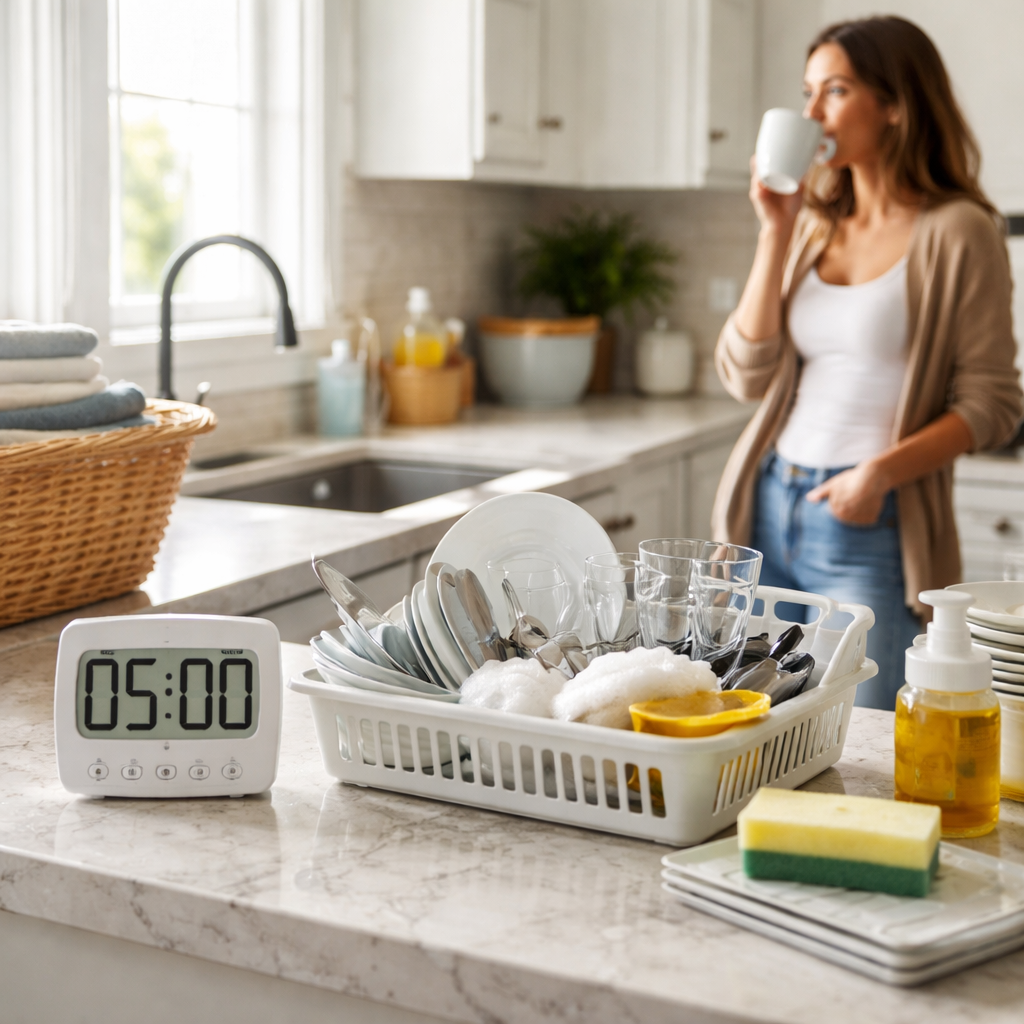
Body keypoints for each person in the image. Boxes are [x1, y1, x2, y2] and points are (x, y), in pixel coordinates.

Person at [712, 16, 1023, 710]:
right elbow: (745, 374)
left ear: (894, 105)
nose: (812, 114)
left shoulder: (960, 229)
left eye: (835, 90)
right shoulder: (812, 224)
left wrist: (879, 474)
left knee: (869, 728)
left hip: (869, 521)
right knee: (765, 721)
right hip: (770, 502)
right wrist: (775, 229)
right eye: (808, 92)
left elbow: (995, 404)